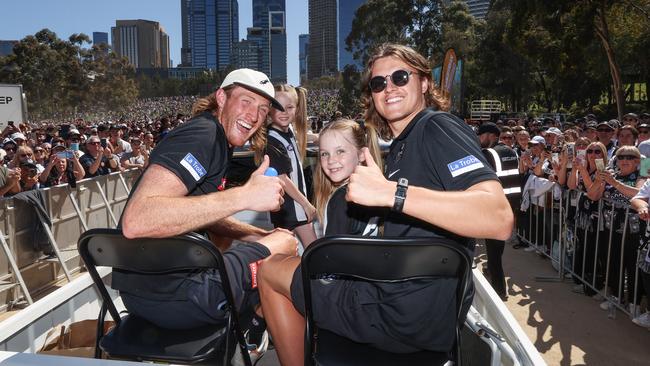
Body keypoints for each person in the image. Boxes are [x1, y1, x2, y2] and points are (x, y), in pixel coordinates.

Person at [258, 43, 512, 366]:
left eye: (400, 77)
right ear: (372, 95)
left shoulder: (437, 127)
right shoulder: (403, 148)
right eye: (379, 83)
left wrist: (393, 194)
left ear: (424, 83)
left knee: (270, 271)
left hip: (391, 316)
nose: (389, 87)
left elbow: (498, 216)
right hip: (419, 318)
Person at [115, 69, 297, 359]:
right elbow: (138, 219)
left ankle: (250, 330)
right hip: (180, 294)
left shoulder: (215, 138)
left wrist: (253, 234)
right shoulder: (203, 135)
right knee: (286, 247)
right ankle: (255, 333)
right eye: (246, 101)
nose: (254, 115)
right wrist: (243, 196)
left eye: (263, 110)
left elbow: (192, 212)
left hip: (143, 294)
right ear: (221, 97)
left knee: (272, 240)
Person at [264, 84, 317, 247]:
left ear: (296, 109)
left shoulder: (288, 131)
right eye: (278, 107)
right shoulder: (272, 139)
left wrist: (322, 138)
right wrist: (306, 204)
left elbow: (307, 137)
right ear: (270, 109)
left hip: (293, 206)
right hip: (289, 207)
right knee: (313, 251)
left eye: (289, 107)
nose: (284, 112)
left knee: (296, 252)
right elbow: (282, 178)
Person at [478, 122, 520, 300]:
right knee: (497, 247)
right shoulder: (512, 152)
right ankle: (491, 269)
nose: (479, 139)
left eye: (481, 136)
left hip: (495, 207)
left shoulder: (488, 153)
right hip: (511, 206)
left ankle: (499, 290)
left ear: (490, 136)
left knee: (494, 252)